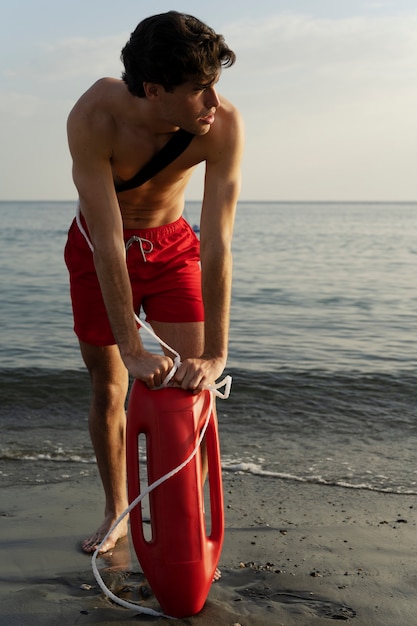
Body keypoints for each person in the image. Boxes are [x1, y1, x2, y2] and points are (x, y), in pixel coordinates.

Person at [64, 10, 244, 557]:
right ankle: (116, 509)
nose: (214, 103)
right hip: (99, 247)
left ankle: (191, 518)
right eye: (200, 91)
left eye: (216, 85)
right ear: (154, 90)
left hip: (171, 248)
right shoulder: (94, 115)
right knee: (110, 387)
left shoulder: (223, 125)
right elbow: (108, 239)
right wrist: (131, 344)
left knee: (192, 387)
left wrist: (217, 352)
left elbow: (215, 244)